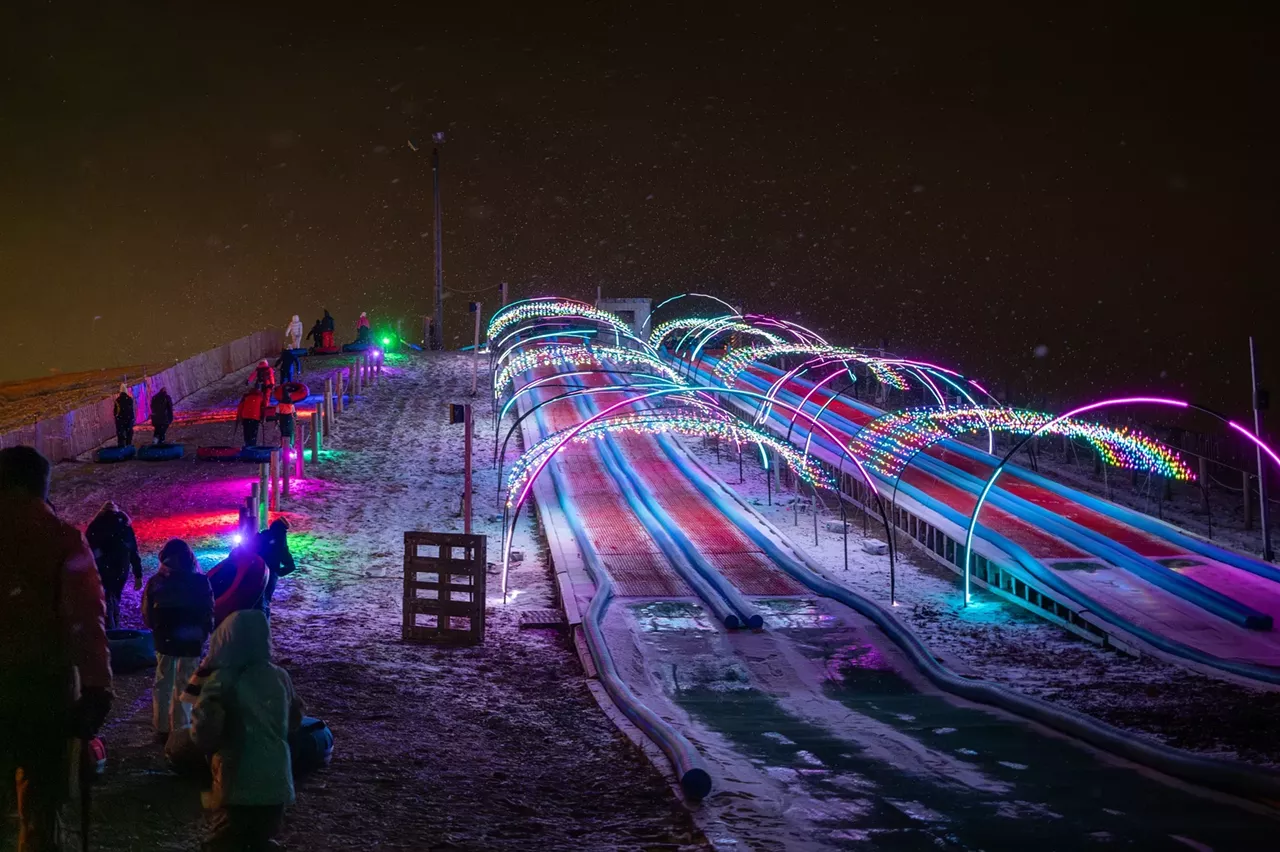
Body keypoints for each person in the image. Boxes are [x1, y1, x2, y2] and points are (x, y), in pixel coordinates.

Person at [0, 446, 112, 852]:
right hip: (42, 693)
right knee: (40, 812)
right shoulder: (61, 541)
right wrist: (98, 687)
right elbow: (85, 619)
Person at [190, 610, 301, 852]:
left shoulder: (222, 681)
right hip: (278, 781)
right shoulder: (280, 676)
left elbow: (205, 732)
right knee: (262, 838)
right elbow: (295, 720)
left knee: (228, 840)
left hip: (237, 781)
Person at [142, 539, 214, 738]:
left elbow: (147, 613)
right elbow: (208, 609)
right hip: (191, 637)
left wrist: (156, 627)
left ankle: (162, 726)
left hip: (164, 636)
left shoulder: (156, 582)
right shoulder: (200, 581)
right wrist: (205, 631)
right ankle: (181, 727)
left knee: (163, 679)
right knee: (187, 681)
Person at [85, 500, 144, 630]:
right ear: (117, 510)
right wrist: (138, 574)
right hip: (121, 565)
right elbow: (133, 550)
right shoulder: (124, 524)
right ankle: (115, 621)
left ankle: (110, 623)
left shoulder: (95, 525)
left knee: (106, 593)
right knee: (116, 593)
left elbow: (87, 548)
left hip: (102, 564)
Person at [253, 518, 296, 619]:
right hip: (270, 574)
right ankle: (264, 627)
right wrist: (278, 572)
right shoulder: (281, 540)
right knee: (265, 602)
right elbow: (289, 564)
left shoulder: (263, 535)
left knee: (256, 600)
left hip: (256, 571)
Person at [114, 383, 136, 448]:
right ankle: (128, 445)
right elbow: (131, 409)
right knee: (129, 432)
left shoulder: (117, 400)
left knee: (120, 433)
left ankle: (121, 446)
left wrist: (117, 417)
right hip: (129, 418)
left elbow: (115, 411)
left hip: (120, 419)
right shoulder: (130, 399)